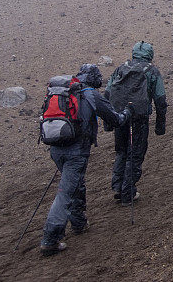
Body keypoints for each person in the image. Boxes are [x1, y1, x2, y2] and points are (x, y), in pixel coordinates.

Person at [40, 64, 132, 256]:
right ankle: (50, 239)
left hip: (56, 148)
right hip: (76, 151)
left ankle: (79, 223)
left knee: (74, 185)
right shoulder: (90, 94)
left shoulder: (65, 92)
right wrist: (127, 113)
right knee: (65, 192)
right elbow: (114, 119)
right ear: (95, 79)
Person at [104, 41, 167, 205]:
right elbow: (160, 99)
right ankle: (128, 193)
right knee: (135, 154)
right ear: (150, 55)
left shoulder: (121, 69)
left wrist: (109, 121)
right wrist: (160, 125)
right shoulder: (151, 71)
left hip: (120, 117)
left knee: (121, 151)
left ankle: (118, 188)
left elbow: (108, 94)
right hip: (139, 119)